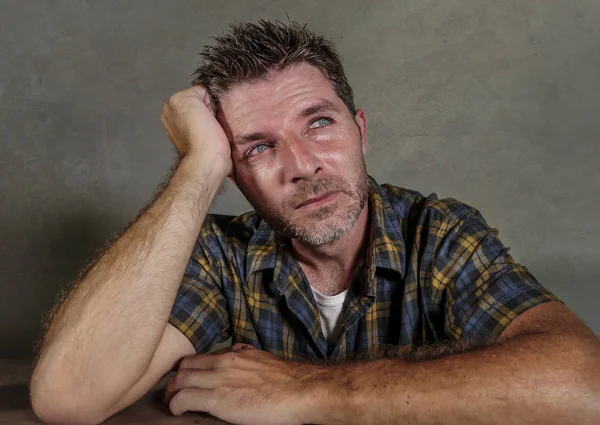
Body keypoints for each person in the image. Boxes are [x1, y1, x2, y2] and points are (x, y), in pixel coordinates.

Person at [30, 18, 599, 425]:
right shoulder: (219, 255)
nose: (302, 167)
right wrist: (197, 166)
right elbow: (69, 398)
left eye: (320, 122)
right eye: (256, 149)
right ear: (234, 176)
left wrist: (307, 392)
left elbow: (585, 385)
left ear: (361, 131)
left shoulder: (440, 235)